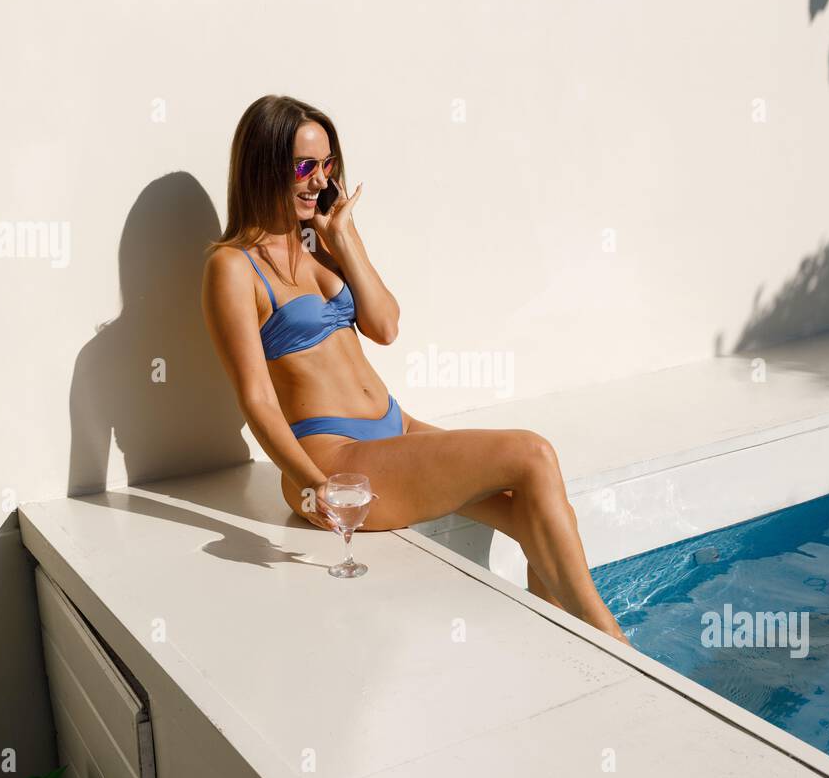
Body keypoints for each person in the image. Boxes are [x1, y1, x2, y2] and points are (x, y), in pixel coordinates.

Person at [202, 94, 631, 648]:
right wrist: (318, 488)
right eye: (304, 167)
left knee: (534, 507)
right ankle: (613, 642)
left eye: (326, 165)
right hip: (336, 461)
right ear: (263, 166)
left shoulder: (320, 247)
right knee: (532, 453)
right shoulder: (232, 267)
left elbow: (385, 325)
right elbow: (257, 399)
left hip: (393, 428)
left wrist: (345, 237)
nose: (318, 181)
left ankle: (559, 645)